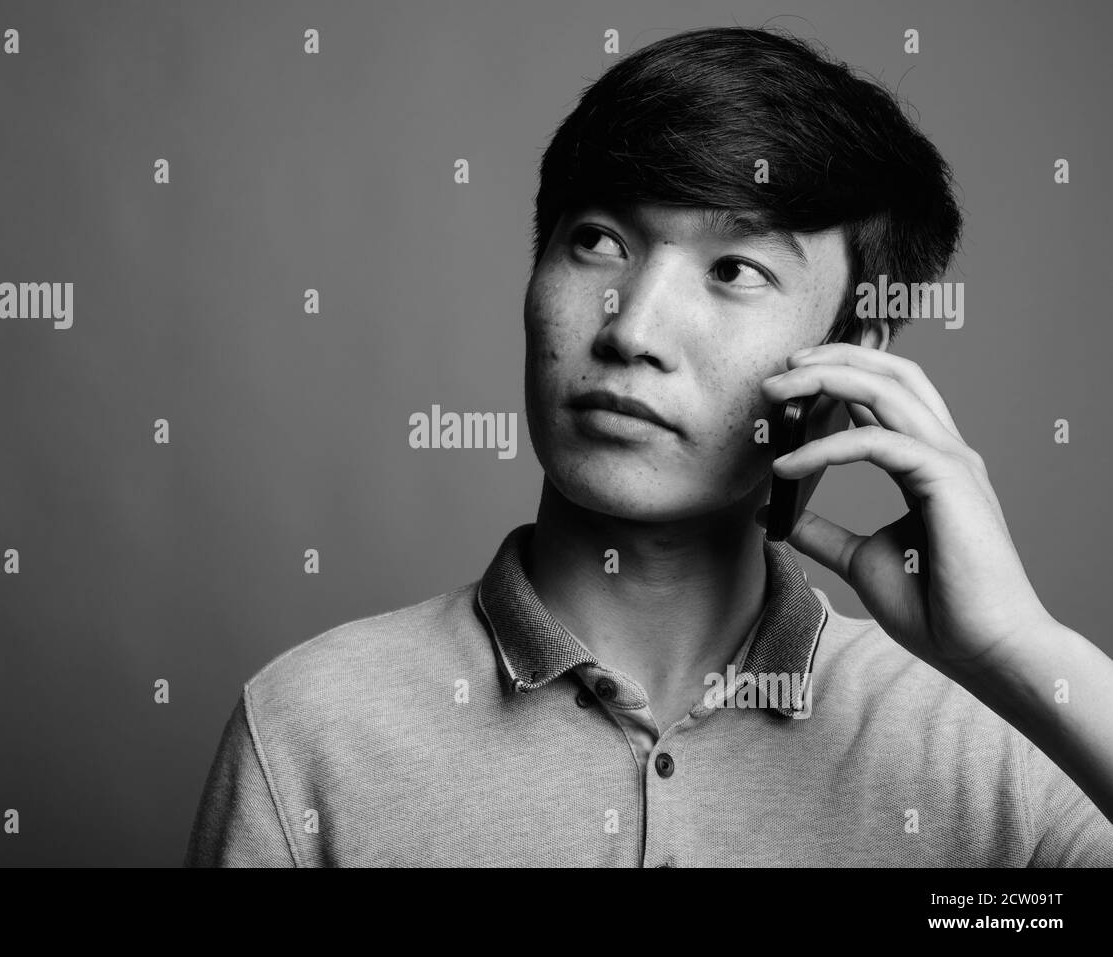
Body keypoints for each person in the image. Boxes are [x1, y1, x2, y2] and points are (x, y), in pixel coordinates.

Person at [185, 26, 1113, 866]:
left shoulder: (1003, 739)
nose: (632, 330)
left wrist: (1022, 650)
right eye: (596, 241)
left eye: (733, 269)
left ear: (850, 358)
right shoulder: (313, 729)